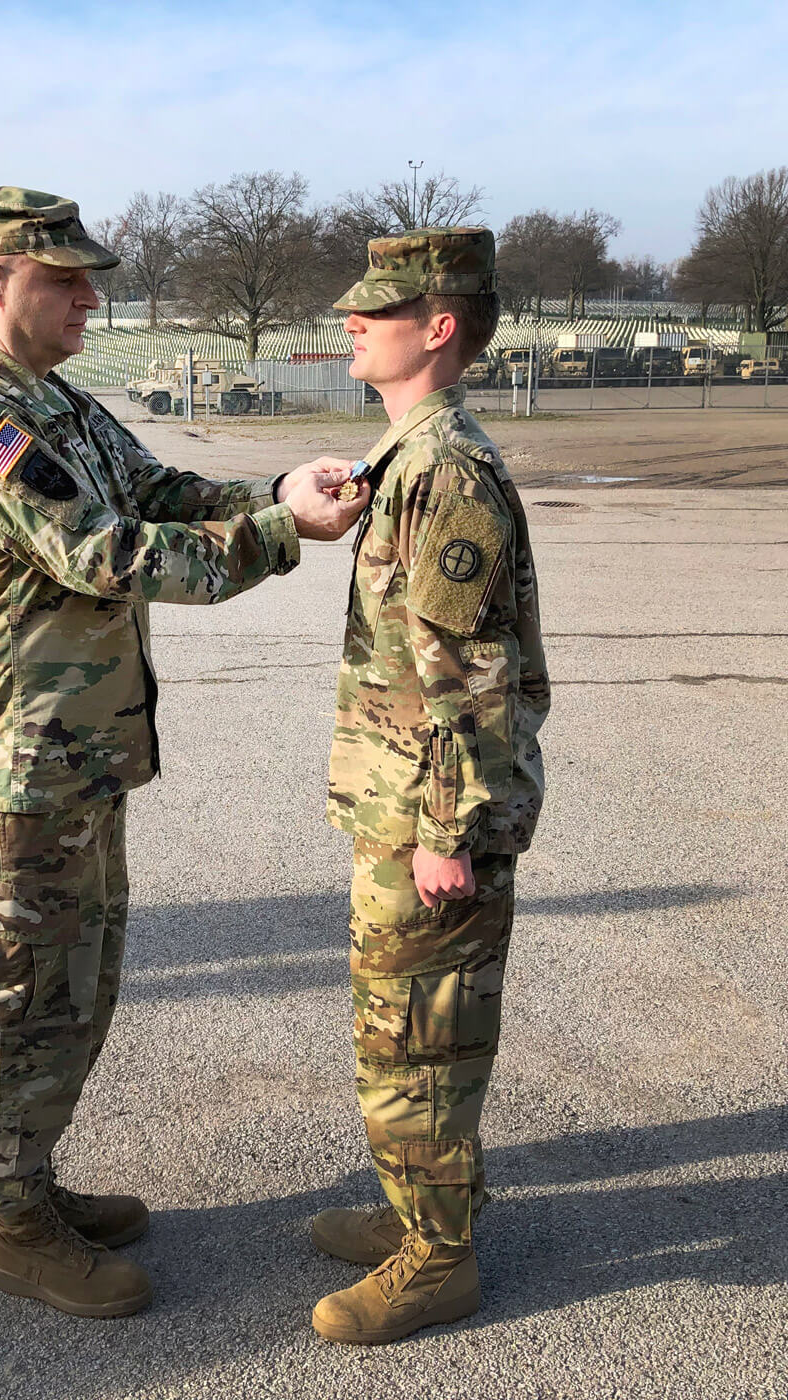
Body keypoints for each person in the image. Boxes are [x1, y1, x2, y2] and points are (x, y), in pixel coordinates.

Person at [0, 187, 367, 1319]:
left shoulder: (54, 402)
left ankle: (34, 1181)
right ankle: (9, 1221)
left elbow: (158, 490)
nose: (88, 297)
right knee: (17, 997)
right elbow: (108, 552)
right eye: (64, 279)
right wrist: (275, 533)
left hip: (78, 764)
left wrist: (271, 489)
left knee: (76, 986)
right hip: (15, 776)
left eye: (87, 276)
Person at [309, 228, 551, 1344]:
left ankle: (437, 1256)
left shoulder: (445, 469)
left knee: (421, 1034)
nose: (351, 321)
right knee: (402, 1028)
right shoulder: (407, 453)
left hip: (430, 811)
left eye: (378, 308)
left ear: (438, 326)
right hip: (400, 795)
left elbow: (468, 675)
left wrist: (447, 828)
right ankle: (422, 1205)